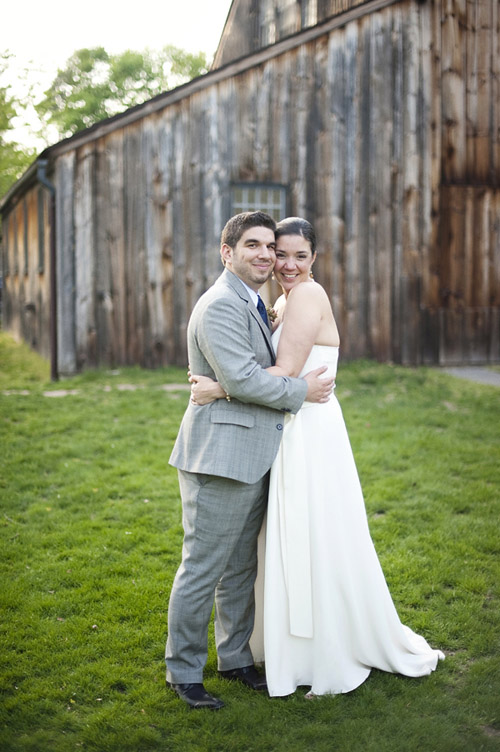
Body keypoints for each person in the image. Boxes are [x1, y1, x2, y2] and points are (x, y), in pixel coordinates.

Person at [190, 216, 445, 698]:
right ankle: (284, 644)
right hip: (288, 425)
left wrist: (217, 388)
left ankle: (322, 646)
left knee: (313, 534)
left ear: (314, 258)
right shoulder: (281, 300)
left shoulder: (306, 296)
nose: (285, 263)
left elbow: (284, 371)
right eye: (278, 253)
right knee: (290, 536)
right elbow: (274, 375)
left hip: (307, 430)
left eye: (297, 255)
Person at [166, 211, 335, 710]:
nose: (265, 254)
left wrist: (224, 385)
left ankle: (235, 659)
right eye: (254, 245)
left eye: (271, 246)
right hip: (220, 458)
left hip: (254, 453)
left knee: (240, 568)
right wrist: (301, 390)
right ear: (228, 253)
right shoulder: (221, 304)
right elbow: (245, 380)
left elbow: (242, 376)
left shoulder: (257, 301)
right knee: (202, 568)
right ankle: (183, 672)